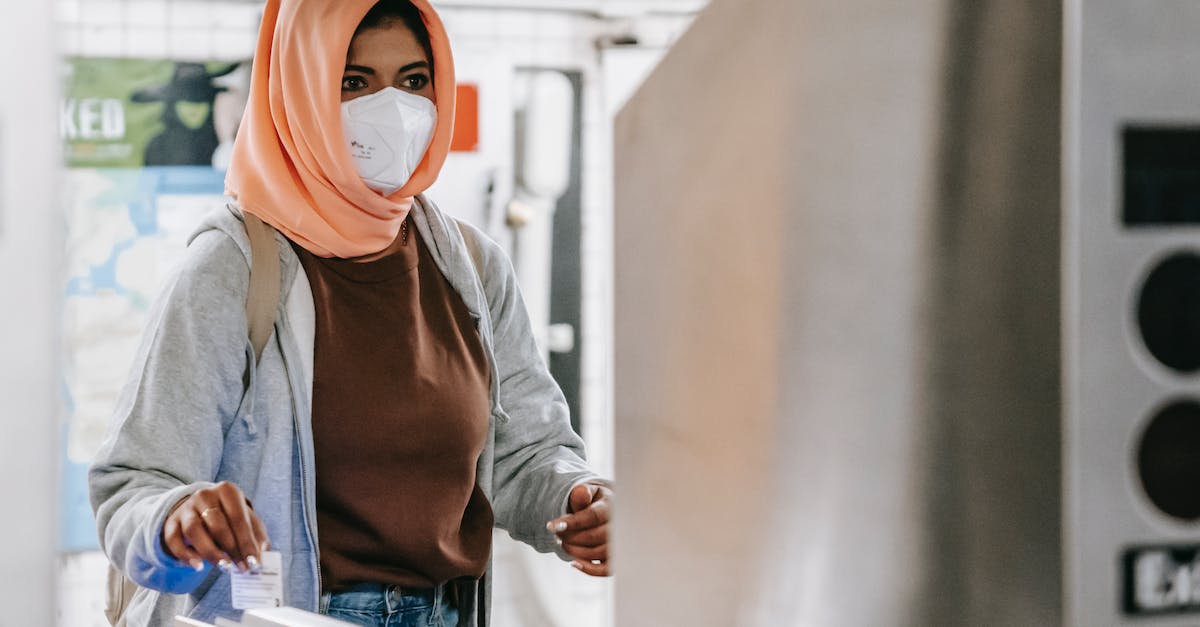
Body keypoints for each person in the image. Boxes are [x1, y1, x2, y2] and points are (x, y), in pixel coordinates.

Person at [88, 0, 612, 625]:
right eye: (353, 82)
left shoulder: (471, 265)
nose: (392, 108)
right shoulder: (233, 268)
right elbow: (134, 485)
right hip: (293, 616)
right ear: (301, 90)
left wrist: (578, 498)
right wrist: (177, 520)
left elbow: (525, 452)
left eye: (414, 81)